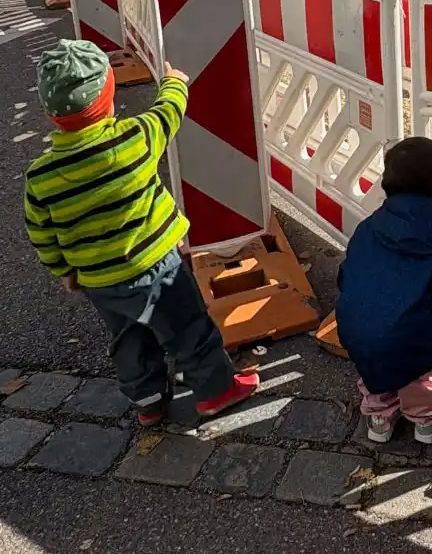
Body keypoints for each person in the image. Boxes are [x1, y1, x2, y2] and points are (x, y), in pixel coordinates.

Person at [24, 40, 258, 426]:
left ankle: (148, 401)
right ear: (108, 95)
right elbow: (168, 113)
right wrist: (175, 82)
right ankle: (215, 391)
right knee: (188, 328)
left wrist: (64, 271)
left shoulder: (41, 177)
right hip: (157, 264)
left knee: (129, 338)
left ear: (51, 114)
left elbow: (42, 234)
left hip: (100, 281)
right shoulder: (133, 139)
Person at [336, 137, 432, 445]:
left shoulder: (370, 226)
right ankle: (427, 419)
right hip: (413, 339)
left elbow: (347, 274)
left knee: (378, 366)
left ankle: (379, 417)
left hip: (354, 332)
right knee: (422, 368)